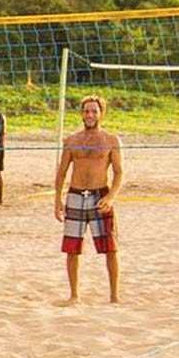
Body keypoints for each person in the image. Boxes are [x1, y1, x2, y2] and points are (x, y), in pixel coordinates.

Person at [53, 95, 123, 304]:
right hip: (75, 195)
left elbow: (119, 173)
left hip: (100, 195)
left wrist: (110, 197)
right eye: (86, 111)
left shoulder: (111, 140)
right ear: (82, 114)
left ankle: (114, 296)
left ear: (101, 113)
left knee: (110, 246)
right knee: (72, 248)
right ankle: (74, 295)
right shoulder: (72, 140)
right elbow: (62, 172)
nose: (90, 115)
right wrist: (57, 200)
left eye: (94, 111)